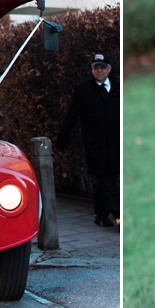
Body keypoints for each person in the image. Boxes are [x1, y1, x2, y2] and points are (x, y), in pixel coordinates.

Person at [56, 53, 120, 228]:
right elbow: (72, 115)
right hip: (96, 144)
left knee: (109, 179)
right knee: (105, 178)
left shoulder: (118, 87)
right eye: (96, 68)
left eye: (102, 67)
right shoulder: (83, 89)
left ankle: (100, 215)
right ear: (92, 69)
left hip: (116, 143)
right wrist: (63, 138)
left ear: (109, 69)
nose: (99, 71)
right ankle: (119, 216)